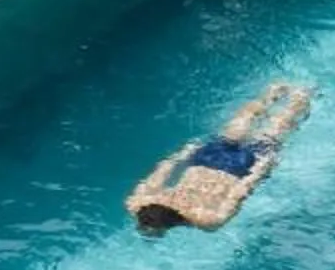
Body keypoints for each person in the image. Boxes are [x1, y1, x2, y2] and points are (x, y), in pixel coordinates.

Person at [126, 80, 313, 234]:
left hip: (236, 169)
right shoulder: (136, 202)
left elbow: (240, 191)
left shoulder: (208, 221)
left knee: (272, 133)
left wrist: (261, 169)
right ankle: (274, 90)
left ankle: (301, 95)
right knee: (238, 127)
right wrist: (182, 154)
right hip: (203, 161)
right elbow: (161, 172)